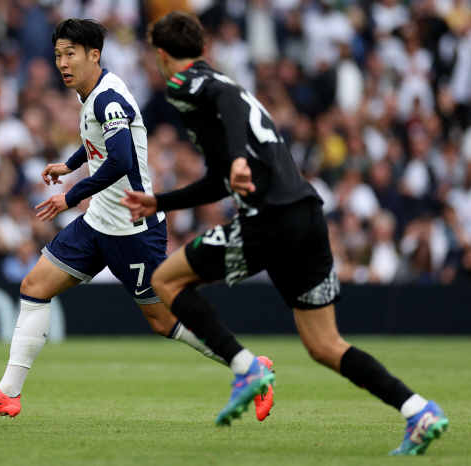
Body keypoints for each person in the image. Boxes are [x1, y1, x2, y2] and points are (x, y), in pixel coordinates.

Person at [122, 11, 449, 455]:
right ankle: (418, 410)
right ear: (202, 47)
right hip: (306, 216)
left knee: (165, 280)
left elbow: (229, 107)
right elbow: (221, 176)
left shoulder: (187, 85)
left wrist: (237, 158)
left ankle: (245, 367)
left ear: (161, 54)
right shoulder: (216, 81)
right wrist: (161, 202)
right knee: (324, 344)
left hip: (269, 219)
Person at [0, 18, 273, 421]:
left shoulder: (106, 98)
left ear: (93, 55)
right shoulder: (92, 94)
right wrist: (71, 163)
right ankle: (9, 393)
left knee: (163, 321)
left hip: (133, 228)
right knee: (34, 285)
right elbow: (100, 142)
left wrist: (71, 196)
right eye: (58, 54)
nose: (62, 62)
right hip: (99, 222)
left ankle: (251, 368)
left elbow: (121, 159)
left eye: (70, 54)